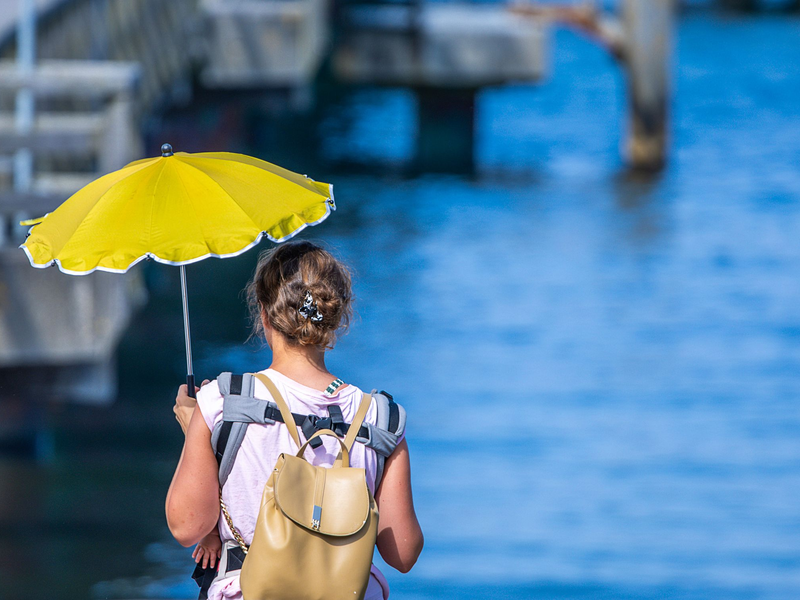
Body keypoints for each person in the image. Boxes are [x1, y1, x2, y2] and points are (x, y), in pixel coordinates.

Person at [166, 240, 424, 600]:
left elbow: (187, 525)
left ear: (264, 314)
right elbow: (403, 553)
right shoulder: (381, 417)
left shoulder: (224, 401)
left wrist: (195, 430)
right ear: (339, 315)